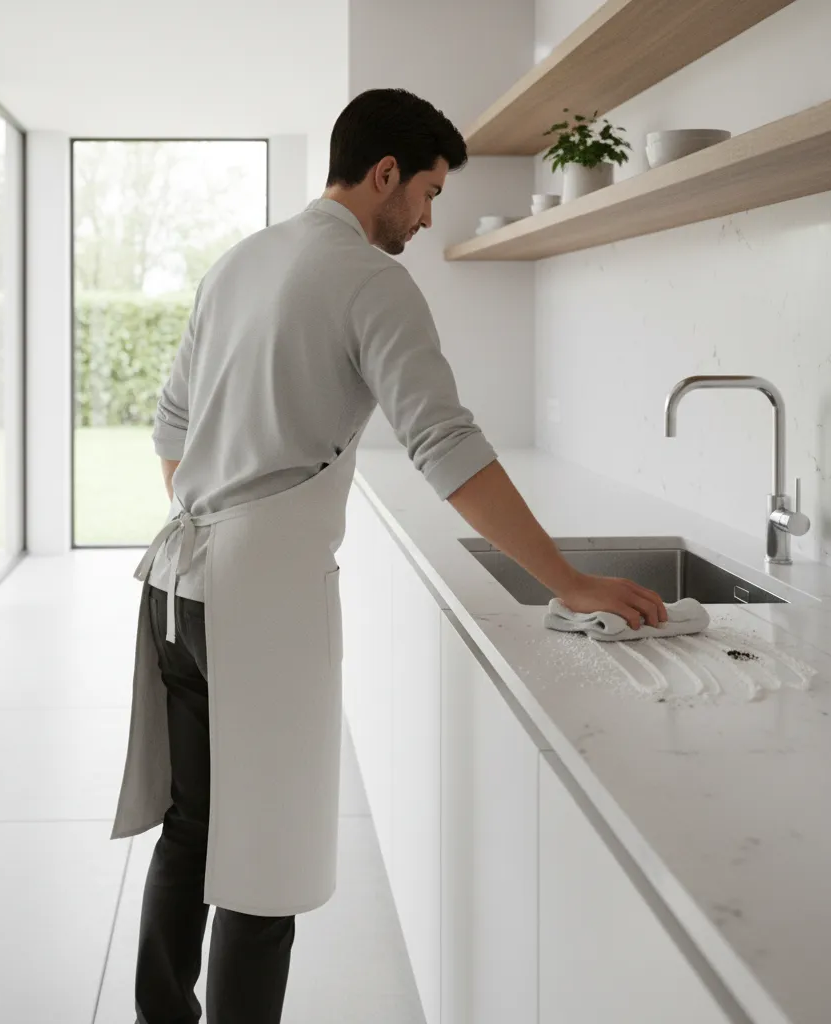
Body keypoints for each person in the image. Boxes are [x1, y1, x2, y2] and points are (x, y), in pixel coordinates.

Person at [112, 87, 668, 1024]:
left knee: (195, 822)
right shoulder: (372, 280)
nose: (426, 214)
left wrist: (223, 511)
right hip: (260, 602)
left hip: (176, 585)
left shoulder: (238, 263)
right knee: (268, 856)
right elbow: (445, 445)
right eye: (428, 191)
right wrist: (569, 580)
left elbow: (170, 427)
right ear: (384, 175)